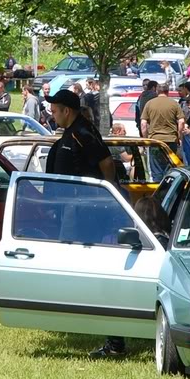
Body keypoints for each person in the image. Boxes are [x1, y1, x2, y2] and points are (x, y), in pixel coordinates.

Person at [43, 89, 121, 359]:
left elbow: (107, 163)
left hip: (86, 214)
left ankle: (115, 339)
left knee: (97, 273)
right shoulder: (71, 131)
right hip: (73, 211)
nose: (52, 116)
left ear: (66, 110)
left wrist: (108, 195)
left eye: (54, 111)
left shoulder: (82, 132)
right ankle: (85, 318)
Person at [140, 84, 186, 180]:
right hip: (171, 140)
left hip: (155, 141)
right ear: (167, 91)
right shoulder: (174, 103)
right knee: (170, 169)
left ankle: (158, 191)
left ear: (157, 91)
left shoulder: (150, 103)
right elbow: (181, 121)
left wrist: (145, 139)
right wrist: (179, 136)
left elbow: (143, 124)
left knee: (156, 170)